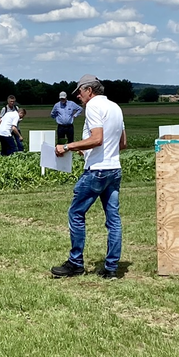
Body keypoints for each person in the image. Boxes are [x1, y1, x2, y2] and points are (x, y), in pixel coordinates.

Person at [51, 74, 127, 280]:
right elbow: (122, 144)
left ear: (89, 90)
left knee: (76, 213)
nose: (78, 96)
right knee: (113, 220)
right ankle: (111, 268)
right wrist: (86, 150)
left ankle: (75, 263)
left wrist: (67, 146)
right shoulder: (116, 107)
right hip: (114, 169)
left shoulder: (93, 106)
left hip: (97, 171)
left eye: (79, 92)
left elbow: (97, 138)